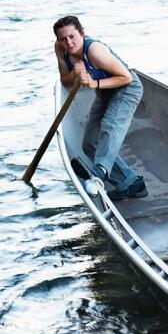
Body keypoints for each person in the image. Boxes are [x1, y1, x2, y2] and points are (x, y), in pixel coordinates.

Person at [53, 15, 147, 200]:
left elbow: (126, 77)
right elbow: (65, 81)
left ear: (82, 33)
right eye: (63, 39)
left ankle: (98, 174)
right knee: (89, 143)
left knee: (110, 126)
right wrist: (75, 72)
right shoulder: (61, 49)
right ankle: (131, 183)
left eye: (72, 36)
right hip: (105, 92)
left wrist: (94, 83)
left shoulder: (95, 51)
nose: (69, 42)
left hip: (127, 88)